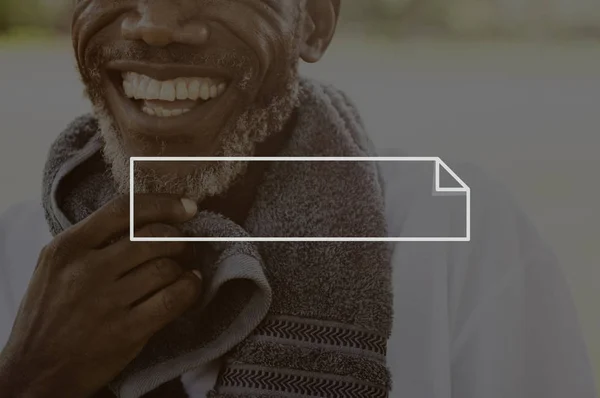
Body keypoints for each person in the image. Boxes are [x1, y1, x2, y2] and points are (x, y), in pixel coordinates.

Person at [0, 1, 597, 397]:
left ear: (311, 21)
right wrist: (30, 379)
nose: (154, 22)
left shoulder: (454, 232)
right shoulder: (16, 253)